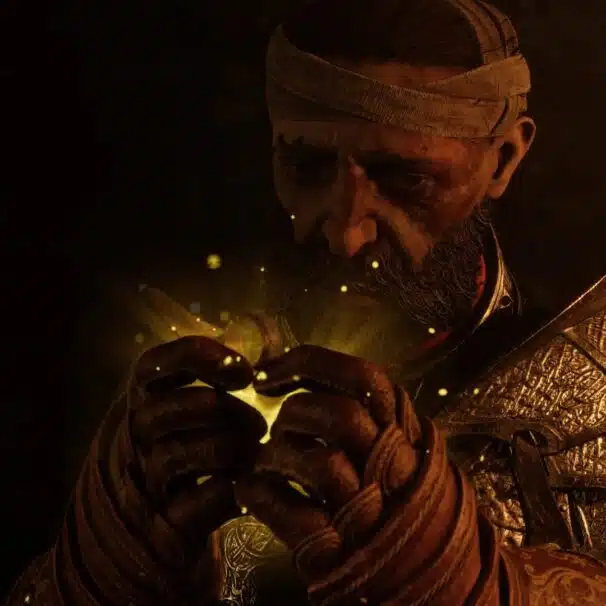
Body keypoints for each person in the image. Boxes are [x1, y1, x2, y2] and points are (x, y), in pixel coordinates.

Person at [6, 0, 606, 604]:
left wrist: (473, 589)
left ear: (503, 159)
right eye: (307, 166)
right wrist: (92, 579)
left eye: (409, 179)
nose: (345, 234)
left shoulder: (593, 386)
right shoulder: (174, 394)